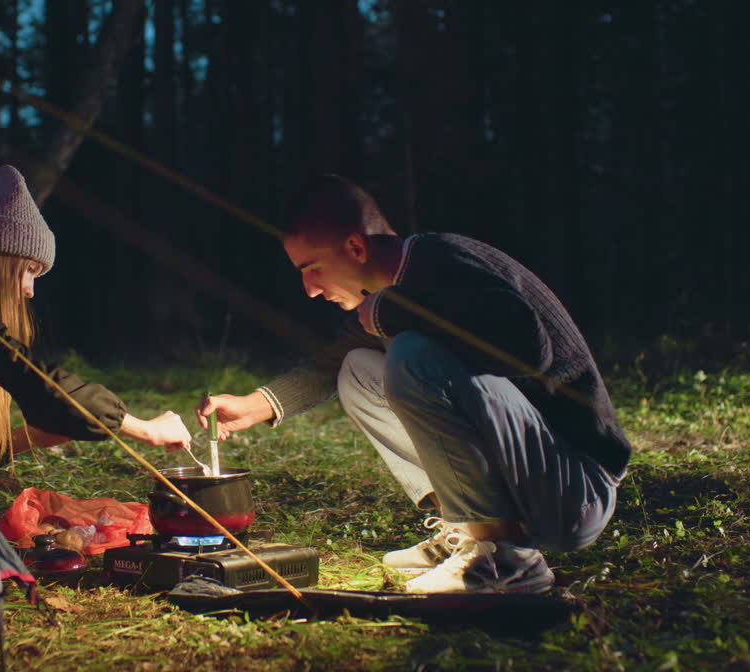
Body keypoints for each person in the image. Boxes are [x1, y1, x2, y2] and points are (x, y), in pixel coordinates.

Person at [197, 174, 628, 594]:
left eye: (312, 268)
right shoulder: (402, 290)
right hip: (537, 474)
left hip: (576, 488)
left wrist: (395, 311)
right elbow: (330, 365)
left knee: (413, 356)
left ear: (355, 246)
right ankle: (470, 531)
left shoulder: (445, 262)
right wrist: (257, 404)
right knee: (358, 371)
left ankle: (505, 558)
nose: (310, 289)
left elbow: (530, 346)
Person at [0, 164, 192, 476]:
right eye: (27, 270)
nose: (29, 291)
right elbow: (23, 371)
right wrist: (145, 429)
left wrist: (36, 437)